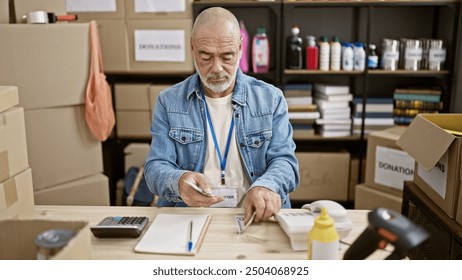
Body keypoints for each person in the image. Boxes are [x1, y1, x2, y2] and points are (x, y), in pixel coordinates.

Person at [144, 7, 299, 223]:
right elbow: (154, 168)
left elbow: (285, 162)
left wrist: (267, 185)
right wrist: (179, 181)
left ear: (240, 48)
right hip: (190, 218)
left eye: (227, 56)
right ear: (192, 48)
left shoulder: (271, 99)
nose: (216, 68)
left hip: (254, 217)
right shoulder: (168, 102)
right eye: (205, 56)